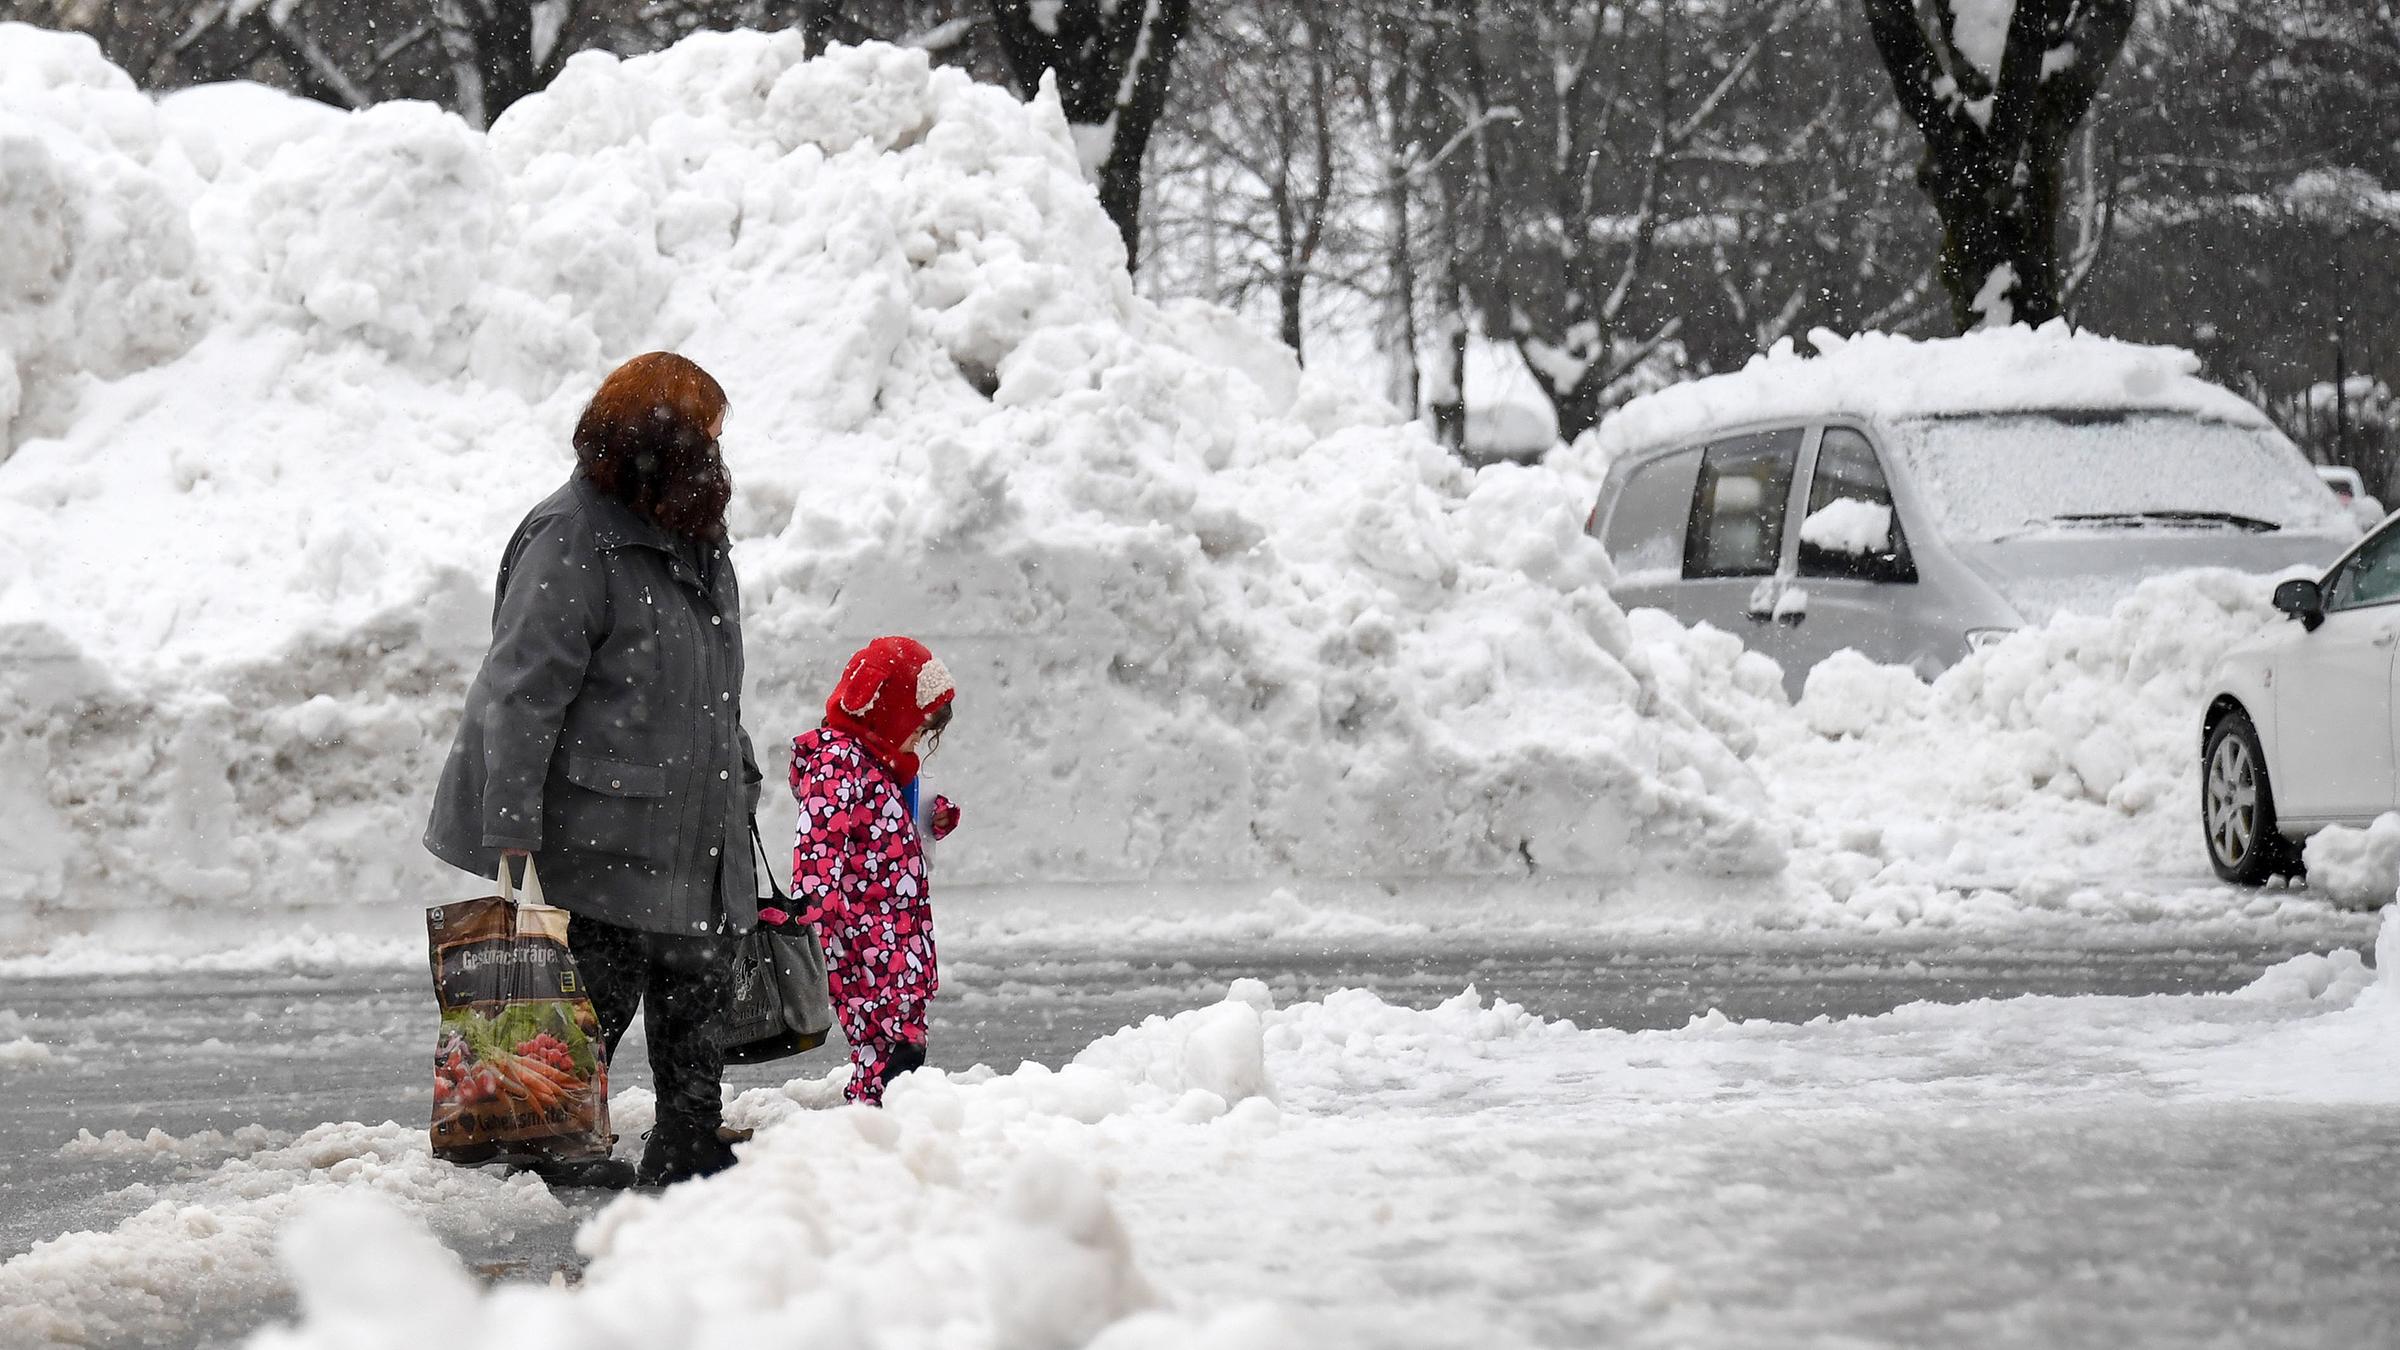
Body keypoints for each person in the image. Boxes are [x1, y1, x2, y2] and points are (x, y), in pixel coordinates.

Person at [424, 351, 762, 1188]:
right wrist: (511, 830)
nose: (720, 457)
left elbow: (714, 677)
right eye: (707, 439)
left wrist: (739, 771)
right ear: (661, 443)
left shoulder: (692, 527)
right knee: (592, 995)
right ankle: (551, 1143)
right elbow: (522, 690)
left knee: (697, 981)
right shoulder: (573, 536)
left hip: (688, 811)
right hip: (602, 826)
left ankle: (688, 1133)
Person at [782, 637, 959, 1106]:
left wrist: (934, 813)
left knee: (901, 1035)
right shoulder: (839, 763)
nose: (916, 741)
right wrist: (813, 918)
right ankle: (875, 1112)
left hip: (896, 932)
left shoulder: (880, 763)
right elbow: (819, 843)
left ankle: (879, 1104)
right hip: (861, 936)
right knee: (888, 1040)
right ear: (887, 711)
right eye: (916, 729)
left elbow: (888, 815)